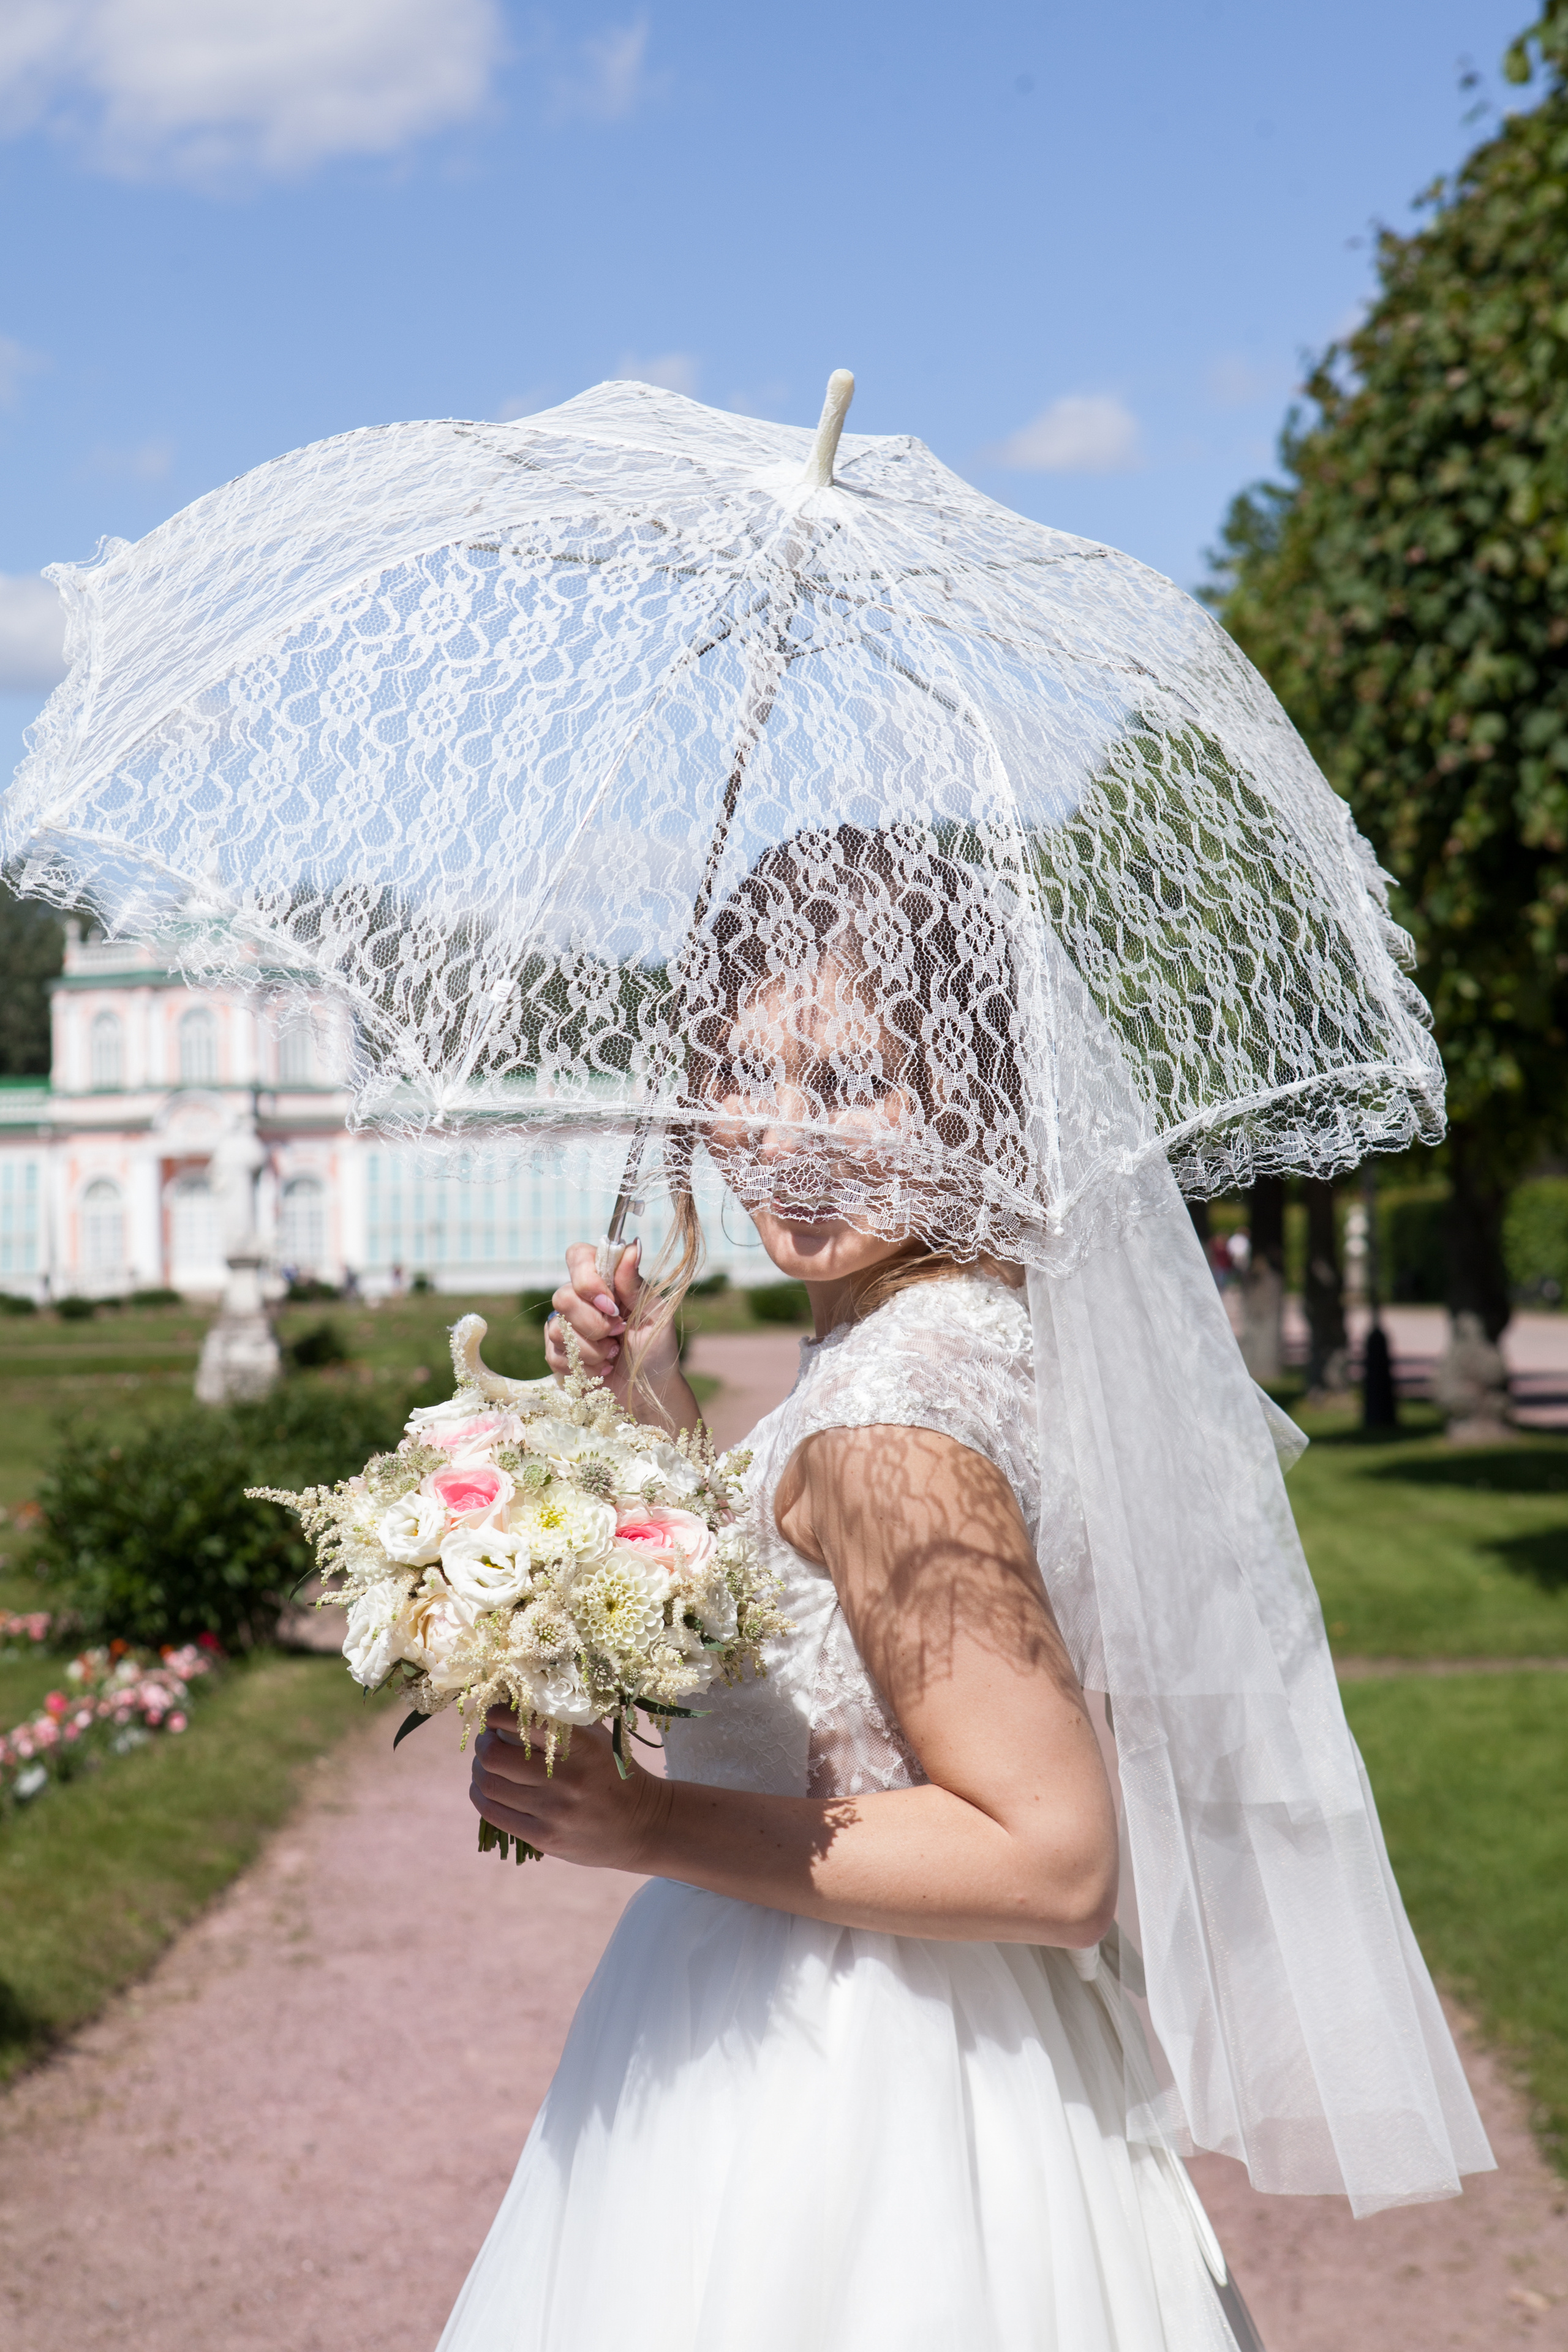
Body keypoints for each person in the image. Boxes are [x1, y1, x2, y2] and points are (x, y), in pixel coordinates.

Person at [437, 826, 1488, 2351]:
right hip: (935, 2034)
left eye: (856, 1079)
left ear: (978, 1098)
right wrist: (656, 1407)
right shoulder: (953, 1331)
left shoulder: (888, 1414)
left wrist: (648, 1822)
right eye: (746, 1073)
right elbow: (819, 1618)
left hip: (851, 2084)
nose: (785, 1139)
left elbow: (1052, 1859)